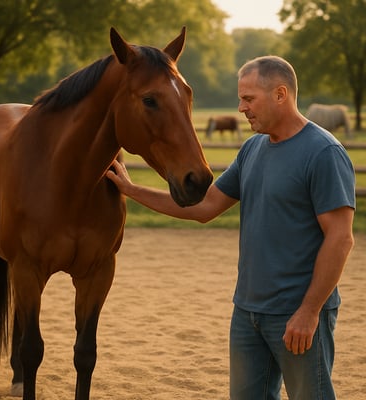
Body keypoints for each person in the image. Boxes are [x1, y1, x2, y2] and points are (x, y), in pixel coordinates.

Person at [106, 55, 355, 400]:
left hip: (296, 314)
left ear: (281, 94)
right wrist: (133, 191)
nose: (240, 108)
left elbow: (340, 239)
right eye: (241, 99)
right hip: (248, 313)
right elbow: (204, 207)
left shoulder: (324, 152)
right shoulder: (252, 148)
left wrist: (309, 311)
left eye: (249, 99)